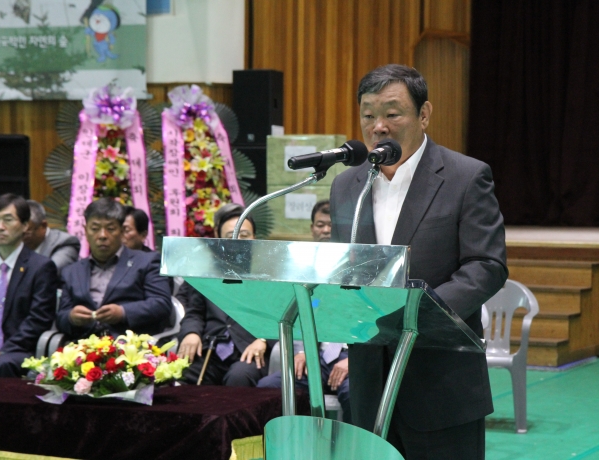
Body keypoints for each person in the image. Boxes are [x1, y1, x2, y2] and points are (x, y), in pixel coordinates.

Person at [329, 64, 508, 458]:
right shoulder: (346, 185)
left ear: (424, 114)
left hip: (440, 382)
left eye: (392, 113)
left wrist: (417, 315)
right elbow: (343, 267)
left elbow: (486, 265)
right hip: (369, 384)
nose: (378, 126)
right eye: (368, 115)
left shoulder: (465, 176)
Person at [257, 199, 351, 422]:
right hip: (317, 356)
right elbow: (294, 314)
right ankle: (285, 441)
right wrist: (301, 351)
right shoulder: (303, 268)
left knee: (354, 394)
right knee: (267, 387)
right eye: (320, 224)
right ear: (312, 228)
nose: (326, 230)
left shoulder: (357, 267)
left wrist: (355, 362)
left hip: (351, 358)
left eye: (331, 225)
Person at [176, 203, 273, 386]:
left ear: (254, 238)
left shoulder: (268, 277)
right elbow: (195, 313)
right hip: (210, 349)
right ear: (218, 240)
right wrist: (191, 333)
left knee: (239, 377)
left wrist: (263, 340)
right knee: (181, 373)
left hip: (249, 350)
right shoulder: (206, 276)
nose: (237, 242)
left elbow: (280, 316)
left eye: (244, 235)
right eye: (230, 237)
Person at [56, 198, 172, 339]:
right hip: (83, 346)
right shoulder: (71, 272)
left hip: (131, 344)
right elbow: (61, 318)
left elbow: (161, 304)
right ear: (85, 231)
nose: (102, 235)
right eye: (95, 229)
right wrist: (71, 317)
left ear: (122, 231)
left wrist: (123, 312)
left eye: (110, 229)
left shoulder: (147, 261)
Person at [0, 194, 58, 377]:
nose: (0, 227)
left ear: (25, 225)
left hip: (18, 350)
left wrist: (3, 351)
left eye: (8, 220)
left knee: (2, 363)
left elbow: (38, 320)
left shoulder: (40, 267)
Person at [23, 200, 80, 274]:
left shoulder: (65, 243)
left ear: (43, 226)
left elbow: (48, 272)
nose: (20, 238)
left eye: (26, 233)